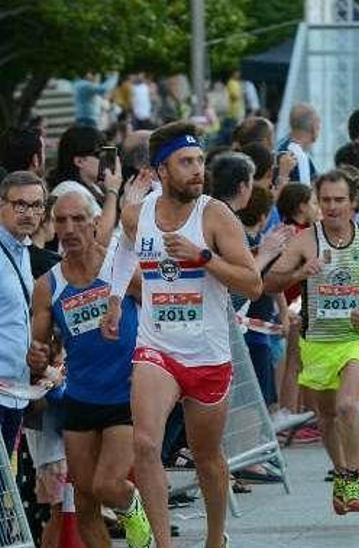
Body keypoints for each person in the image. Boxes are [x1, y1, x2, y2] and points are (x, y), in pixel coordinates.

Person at [103, 122, 263, 548]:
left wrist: (203, 257)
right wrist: (116, 299)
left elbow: (252, 284)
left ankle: (215, 538)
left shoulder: (214, 215)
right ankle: (163, 543)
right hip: (156, 347)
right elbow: (123, 248)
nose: (197, 171)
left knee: (207, 456)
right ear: (161, 171)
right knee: (145, 443)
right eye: (186, 162)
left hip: (207, 354)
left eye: (199, 162)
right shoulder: (139, 213)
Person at [27, 192, 154, 547]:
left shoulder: (121, 267)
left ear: (95, 222)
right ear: (52, 226)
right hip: (81, 397)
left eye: (78, 219)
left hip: (126, 392)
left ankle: (133, 508)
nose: (69, 228)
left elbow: (159, 313)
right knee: (83, 502)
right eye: (62, 220)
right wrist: (38, 355)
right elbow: (42, 348)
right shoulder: (47, 286)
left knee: (107, 485)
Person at [264, 170, 359, 514]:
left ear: (352, 202)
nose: (332, 207)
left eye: (339, 200)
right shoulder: (305, 241)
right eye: (325, 200)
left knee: (346, 405)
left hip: (355, 341)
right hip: (318, 342)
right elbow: (268, 283)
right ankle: (341, 473)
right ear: (317, 202)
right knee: (326, 416)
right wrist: (300, 273)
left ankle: (352, 476)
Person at [0, 171, 45, 453]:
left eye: (37, 205)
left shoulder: (22, 250)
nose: (29, 213)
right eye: (20, 205)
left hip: (15, 391)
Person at [279, 103, 320, 185]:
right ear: (314, 126)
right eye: (319, 125)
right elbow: (305, 195)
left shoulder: (281, 146)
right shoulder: (298, 156)